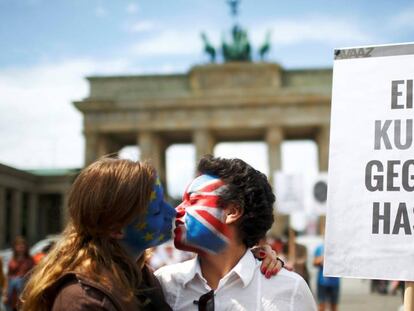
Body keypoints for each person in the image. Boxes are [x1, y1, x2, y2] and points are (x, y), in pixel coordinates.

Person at [21, 157, 280, 311]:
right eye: (157, 211)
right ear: (117, 228)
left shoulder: (145, 279)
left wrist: (249, 257)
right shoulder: (83, 301)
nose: (175, 211)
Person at [155, 155, 316, 310]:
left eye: (193, 201)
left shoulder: (289, 290)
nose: (177, 210)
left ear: (232, 211)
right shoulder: (163, 284)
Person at [3, 236, 34, 311]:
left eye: (23, 245)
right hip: (12, 291)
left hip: (24, 290)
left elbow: (33, 275)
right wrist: (5, 292)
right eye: (19, 245)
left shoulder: (30, 260)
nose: (21, 247)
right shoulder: (12, 260)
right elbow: (8, 277)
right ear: (15, 247)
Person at [314, 243, 340, 311]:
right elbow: (314, 262)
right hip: (322, 281)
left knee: (334, 305)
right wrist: (323, 257)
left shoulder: (338, 248)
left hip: (335, 281)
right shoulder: (320, 248)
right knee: (321, 305)